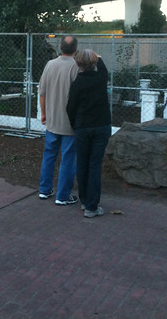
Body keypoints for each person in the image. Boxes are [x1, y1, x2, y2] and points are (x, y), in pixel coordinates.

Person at [66, 49, 111, 218]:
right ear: (93, 63)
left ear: (78, 64)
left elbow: (70, 107)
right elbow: (105, 70)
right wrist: (98, 58)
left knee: (82, 164)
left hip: (82, 127)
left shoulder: (77, 83)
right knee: (95, 165)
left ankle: (85, 200)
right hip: (101, 125)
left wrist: (74, 124)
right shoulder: (101, 79)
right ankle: (92, 206)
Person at [38, 35, 79, 205]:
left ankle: (44, 190)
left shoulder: (50, 65)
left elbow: (42, 92)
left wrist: (44, 114)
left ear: (60, 47)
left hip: (52, 120)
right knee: (68, 158)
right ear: (75, 49)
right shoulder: (77, 67)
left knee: (49, 155)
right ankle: (62, 196)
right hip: (70, 122)